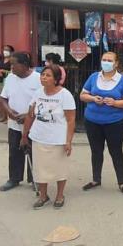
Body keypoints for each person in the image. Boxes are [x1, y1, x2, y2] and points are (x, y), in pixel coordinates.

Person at [21, 65, 76, 209]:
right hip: (39, 137)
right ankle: (43, 196)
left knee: (60, 169)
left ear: (56, 79)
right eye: (43, 75)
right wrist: (25, 135)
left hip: (58, 139)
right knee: (40, 170)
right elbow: (30, 115)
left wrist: (68, 141)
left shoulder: (65, 95)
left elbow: (70, 120)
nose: (44, 77)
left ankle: (59, 195)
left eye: (48, 75)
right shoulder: (38, 93)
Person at [79, 52, 123, 195]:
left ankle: (122, 182)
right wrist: (92, 98)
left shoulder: (122, 80)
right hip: (92, 121)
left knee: (116, 152)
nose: (106, 62)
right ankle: (96, 179)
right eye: (104, 59)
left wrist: (115, 102)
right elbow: (82, 95)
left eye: (109, 60)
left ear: (116, 63)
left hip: (115, 122)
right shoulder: (93, 77)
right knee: (96, 151)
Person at [0, 52, 41, 192]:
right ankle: (14, 178)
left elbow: (43, 101)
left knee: (33, 152)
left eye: (13, 64)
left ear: (24, 65)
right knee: (14, 152)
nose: (11, 67)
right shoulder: (10, 78)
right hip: (14, 124)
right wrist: (9, 111)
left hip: (33, 124)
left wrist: (28, 115)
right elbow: (3, 99)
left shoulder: (38, 79)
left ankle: (35, 179)